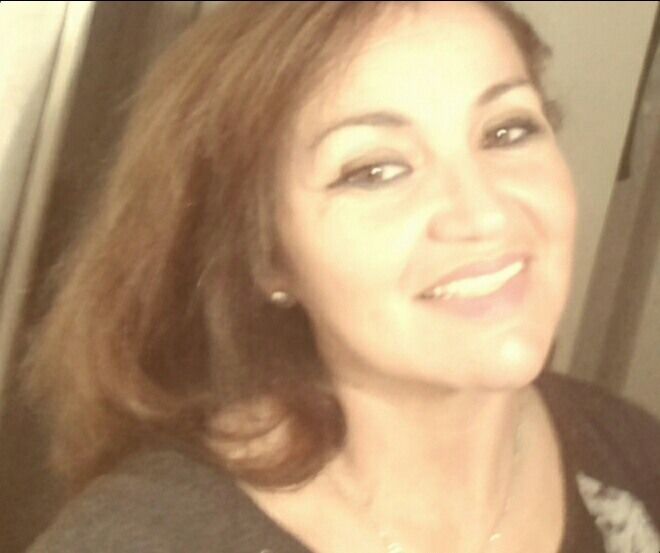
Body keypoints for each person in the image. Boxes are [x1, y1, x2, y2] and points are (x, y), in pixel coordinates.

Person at [23, 2, 660, 552]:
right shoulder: (146, 538)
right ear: (267, 256)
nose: (486, 214)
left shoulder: (628, 456)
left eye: (506, 131)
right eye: (375, 171)